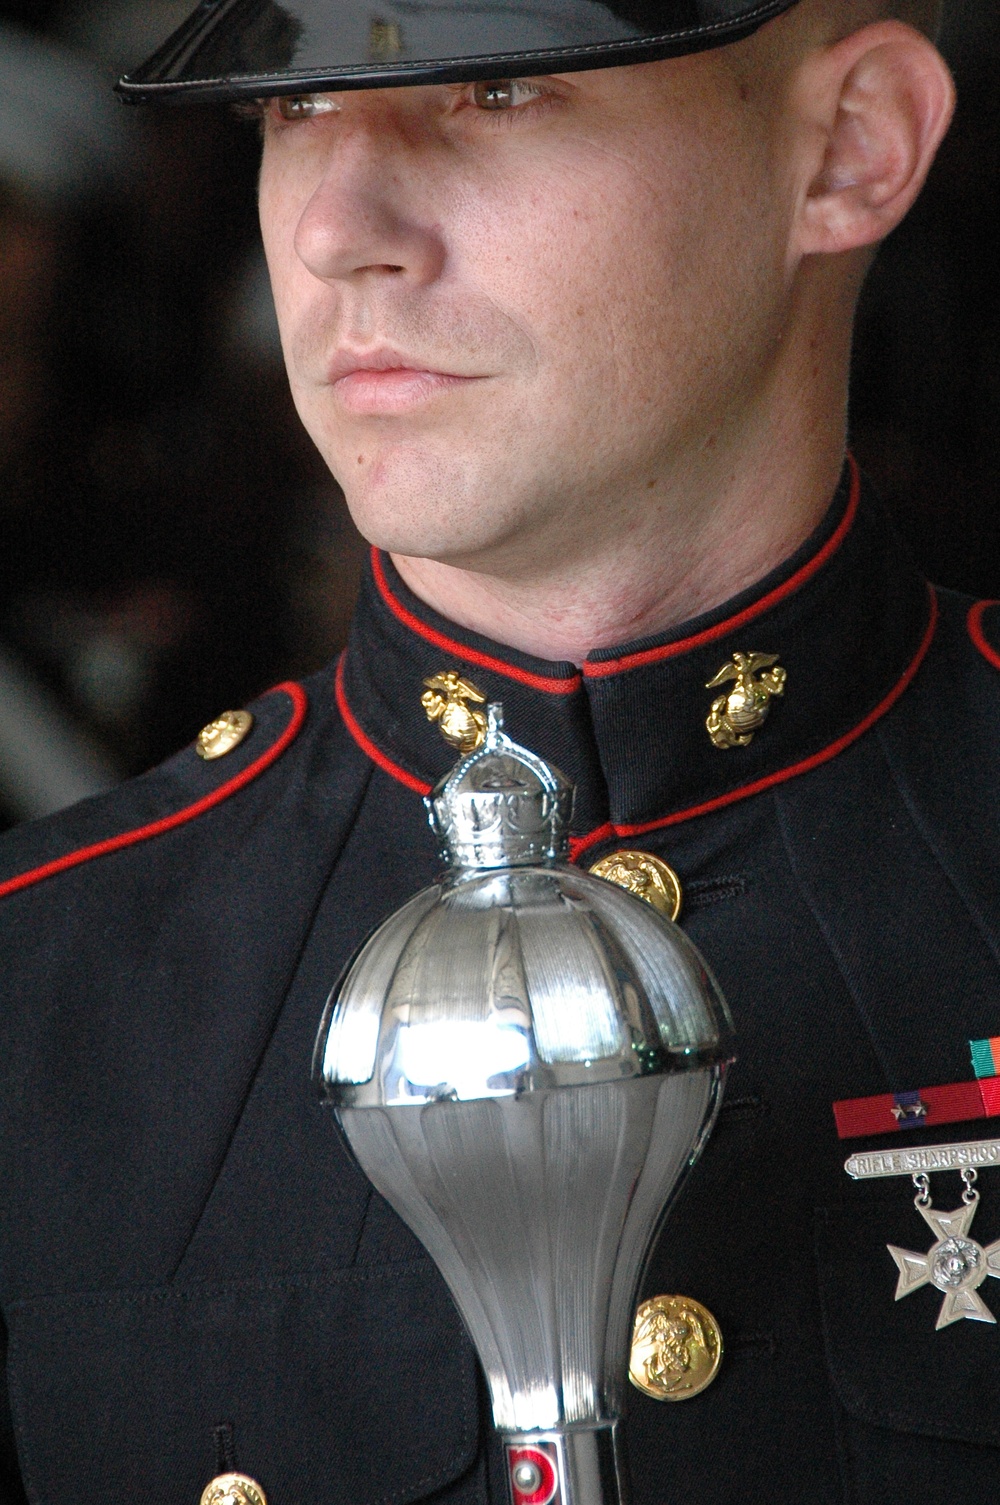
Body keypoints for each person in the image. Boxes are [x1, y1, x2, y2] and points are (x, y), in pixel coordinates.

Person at [1, 1, 995, 1501]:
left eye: (498, 90)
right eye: (291, 113)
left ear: (847, 147)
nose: (337, 231)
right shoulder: (45, 989)